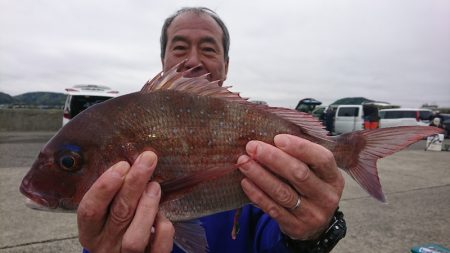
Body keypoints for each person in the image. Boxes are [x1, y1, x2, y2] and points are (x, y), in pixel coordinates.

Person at [77, 7, 346, 253]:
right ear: (163, 60)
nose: (193, 60)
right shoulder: (127, 121)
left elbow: (275, 242)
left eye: (208, 49)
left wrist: (312, 234)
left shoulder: (254, 124)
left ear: (226, 65)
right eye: (180, 48)